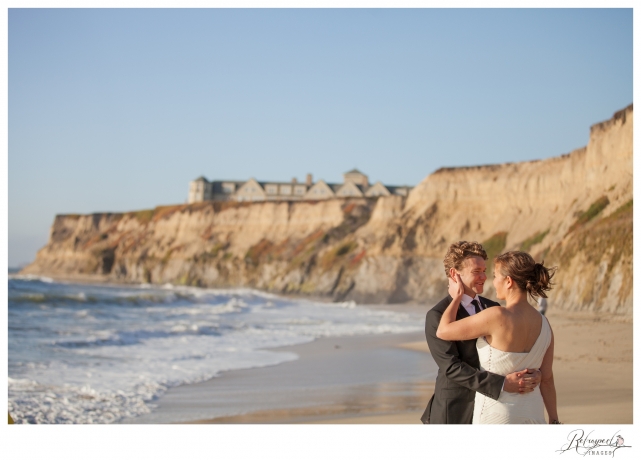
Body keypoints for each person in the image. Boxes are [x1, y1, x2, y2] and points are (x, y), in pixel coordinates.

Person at [421, 241, 542, 424]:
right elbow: (451, 367)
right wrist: (501, 384)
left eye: (485, 271)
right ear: (455, 274)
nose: (484, 277)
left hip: (494, 408)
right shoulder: (437, 316)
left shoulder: (493, 308)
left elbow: (508, 354)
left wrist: (535, 374)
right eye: (477, 272)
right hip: (455, 409)